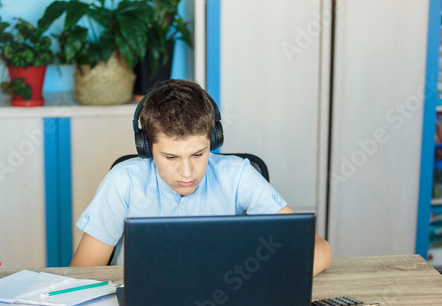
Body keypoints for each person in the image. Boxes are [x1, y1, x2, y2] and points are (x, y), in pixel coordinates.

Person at [70, 79, 331, 276]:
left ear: (213, 140)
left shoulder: (238, 175)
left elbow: (320, 249)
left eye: (198, 154)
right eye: (171, 158)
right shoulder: (123, 181)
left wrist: (267, 281)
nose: (187, 173)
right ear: (147, 147)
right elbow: (82, 274)